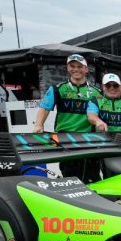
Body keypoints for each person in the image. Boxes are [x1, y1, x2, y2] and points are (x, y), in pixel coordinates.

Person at [33, 53, 101, 183]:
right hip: (65, 138)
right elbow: (45, 107)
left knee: (93, 175)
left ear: (86, 69)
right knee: (70, 176)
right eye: (72, 66)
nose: (76, 69)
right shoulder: (58, 88)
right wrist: (38, 125)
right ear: (67, 68)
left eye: (79, 66)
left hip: (89, 138)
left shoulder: (96, 92)